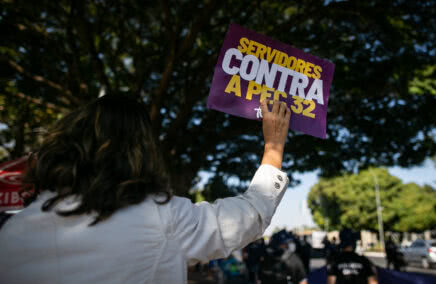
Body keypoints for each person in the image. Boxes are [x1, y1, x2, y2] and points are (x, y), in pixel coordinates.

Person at [0, 95, 291, 284]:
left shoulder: (13, 231)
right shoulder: (162, 219)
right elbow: (251, 213)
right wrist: (274, 145)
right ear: (143, 152)